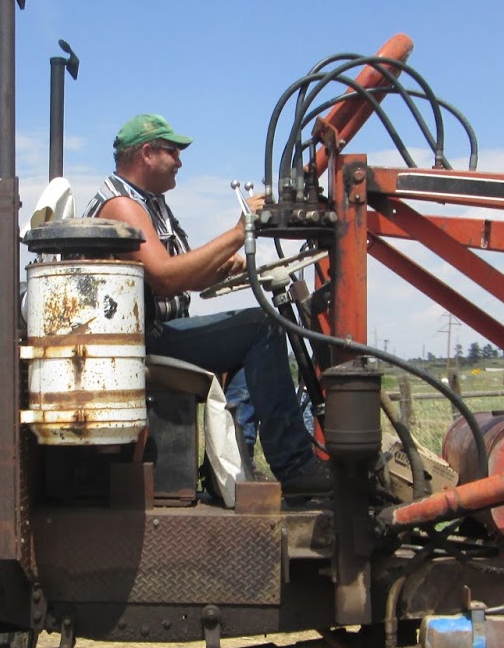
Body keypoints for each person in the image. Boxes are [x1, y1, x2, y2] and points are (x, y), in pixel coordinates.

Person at [86, 113, 329, 495]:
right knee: (262, 329)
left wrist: (218, 268)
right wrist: (240, 231)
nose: (180, 161)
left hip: (155, 335)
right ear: (147, 153)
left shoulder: (150, 204)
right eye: (173, 152)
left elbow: (184, 278)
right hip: (138, 344)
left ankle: (231, 470)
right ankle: (294, 467)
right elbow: (165, 278)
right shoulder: (122, 205)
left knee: (253, 338)